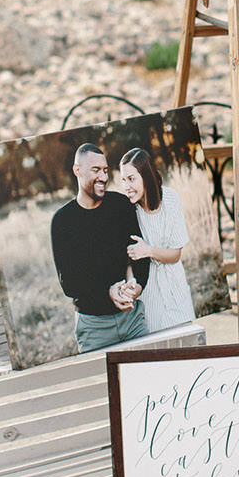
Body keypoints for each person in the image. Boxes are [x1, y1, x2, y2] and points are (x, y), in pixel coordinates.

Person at [50, 144, 152, 353]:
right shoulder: (62, 221)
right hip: (94, 329)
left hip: (133, 321)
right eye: (95, 170)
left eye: (105, 170)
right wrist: (107, 293)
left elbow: (139, 255)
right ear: (77, 170)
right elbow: (69, 283)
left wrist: (137, 284)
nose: (103, 177)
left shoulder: (121, 206)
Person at [118, 148, 194, 335]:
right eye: (123, 180)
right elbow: (128, 259)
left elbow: (175, 255)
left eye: (131, 179)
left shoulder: (170, 198)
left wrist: (149, 251)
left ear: (146, 176)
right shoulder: (128, 211)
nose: (127, 186)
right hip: (148, 293)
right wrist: (132, 283)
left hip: (175, 287)